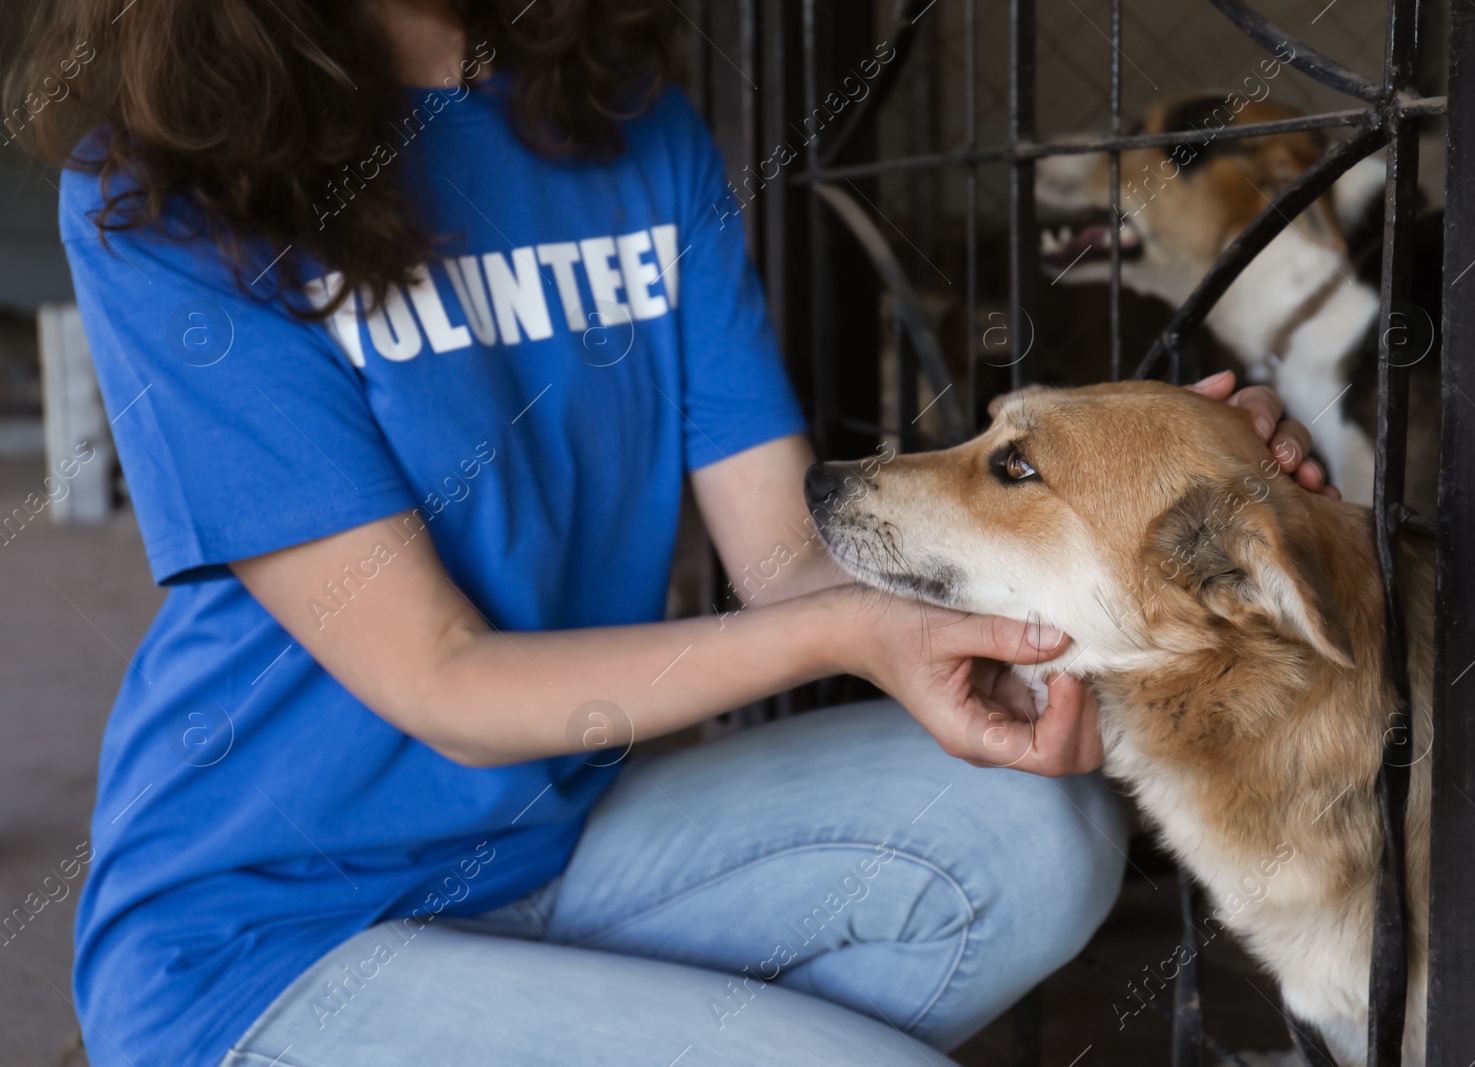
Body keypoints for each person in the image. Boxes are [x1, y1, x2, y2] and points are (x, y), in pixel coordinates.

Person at [10, 1, 1336, 1064]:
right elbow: (446, 681)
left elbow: (784, 558)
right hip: (267, 931)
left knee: (1040, 838)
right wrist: (851, 632)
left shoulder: (629, 129)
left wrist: (1166, 492)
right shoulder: (163, 189)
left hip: (559, 836)